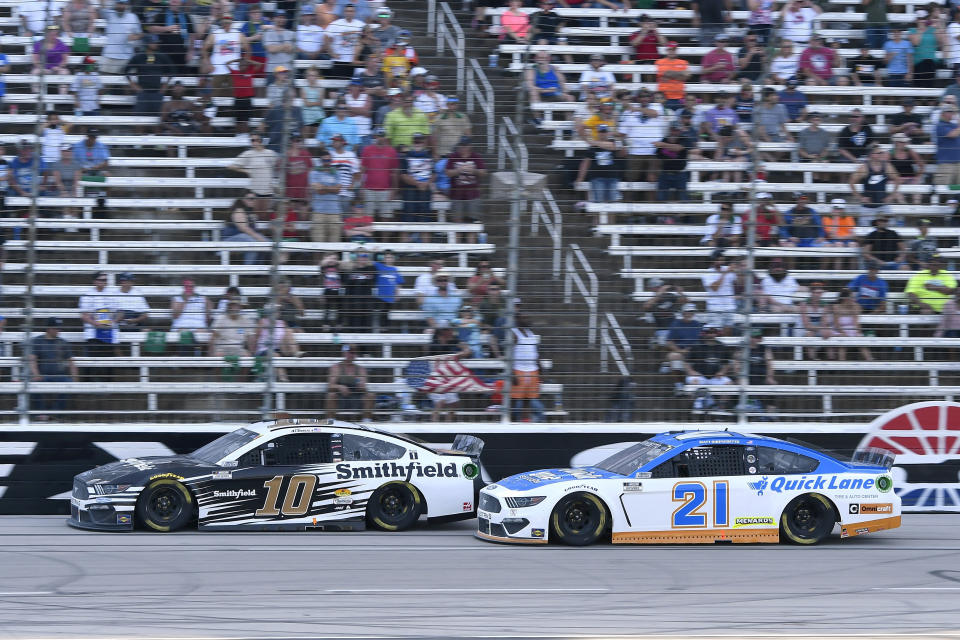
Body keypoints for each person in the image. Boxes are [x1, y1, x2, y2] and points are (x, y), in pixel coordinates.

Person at [29, 317, 78, 418]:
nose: (59, 330)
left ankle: (54, 414)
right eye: (56, 328)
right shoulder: (37, 341)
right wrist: (36, 374)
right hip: (43, 376)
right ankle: (41, 414)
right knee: (34, 384)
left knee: (69, 384)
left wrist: (75, 378)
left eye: (59, 328)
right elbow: (32, 359)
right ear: (48, 328)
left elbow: (71, 362)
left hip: (60, 376)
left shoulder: (63, 342)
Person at [446, 137, 487, 240]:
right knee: (457, 222)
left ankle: (471, 249)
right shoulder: (453, 157)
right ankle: (457, 249)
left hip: (473, 195)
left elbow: (483, 172)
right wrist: (458, 170)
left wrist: (474, 171)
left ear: (470, 146)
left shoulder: (476, 157)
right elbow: (447, 173)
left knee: (472, 222)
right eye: (461, 145)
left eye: (465, 145)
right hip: (456, 195)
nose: (463, 147)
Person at [849, 145, 900, 226]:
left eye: (882, 153)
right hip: (868, 207)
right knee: (865, 232)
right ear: (872, 154)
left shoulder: (887, 166)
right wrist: (860, 197)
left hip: (883, 205)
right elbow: (851, 182)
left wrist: (891, 196)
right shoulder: (864, 168)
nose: (882, 154)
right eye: (879, 153)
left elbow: (897, 179)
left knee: (891, 227)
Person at [229, 134, 278, 216]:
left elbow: (277, 167)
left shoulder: (270, 153)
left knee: (265, 217)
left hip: (268, 191)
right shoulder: (248, 154)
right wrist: (246, 171)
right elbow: (232, 166)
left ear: (261, 141)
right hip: (255, 191)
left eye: (257, 140)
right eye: (252, 140)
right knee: (258, 216)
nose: (254, 142)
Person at [126, 36, 172, 122]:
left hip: (157, 93)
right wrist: (133, 85)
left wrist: (165, 86)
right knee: (139, 122)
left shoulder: (161, 56)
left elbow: (172, 71)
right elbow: (126, 71)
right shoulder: (139, 57)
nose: (156, 44)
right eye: (153, 42)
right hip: (143, 93)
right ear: (147, 44)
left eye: (156, 42)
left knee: (158, 122)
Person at [79, 271, 119, 366]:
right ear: (95, 281)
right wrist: (97, 324)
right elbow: (84, 316)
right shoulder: (87, 295)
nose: (104, 282)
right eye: (102, 280)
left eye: (105, 280)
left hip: (108, 334)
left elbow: (119, 312)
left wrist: (113, 321)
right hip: (93, 335)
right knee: (92, 365)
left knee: (108, 366)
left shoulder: (111, 294)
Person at [203, 13, 248, 98]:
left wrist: (244, 64)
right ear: (221, 23)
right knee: (214, 96)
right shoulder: (214, 34)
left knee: (235, 96)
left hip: (234, 70)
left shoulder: (239, 35)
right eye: (224, 22)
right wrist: (208, 64)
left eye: (228, 22)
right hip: (217, 70)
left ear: (232, 23)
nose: (226, 25)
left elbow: (248, 49)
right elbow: (204, 49)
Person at [326, 344, 374, 420]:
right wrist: (340, 387)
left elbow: (364, 388)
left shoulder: (360, 369)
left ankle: (366, 421)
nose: (351, 354)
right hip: (340, 397)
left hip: (356, 397)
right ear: (344, 353)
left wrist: (361, 385)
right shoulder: (336, 367)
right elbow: (330, 386)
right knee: (331, 395)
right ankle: (331, 421)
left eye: (353, 352)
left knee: (370, 396)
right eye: (349, 352)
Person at [511, 316, 544, 422]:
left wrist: (541, 369)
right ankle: (513, 423)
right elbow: (509, 354)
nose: (529, 320)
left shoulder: (531, 333)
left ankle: (530, 423)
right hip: (519, 370)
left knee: (530, 400)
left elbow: (536, 353)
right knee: (517, 401)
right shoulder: (514, 334)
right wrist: (512, 373)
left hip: (533, 370)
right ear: (518, 320)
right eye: (525, 318)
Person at [99, 0, 142, 75]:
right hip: (110, 55)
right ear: (115, 4)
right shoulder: (110, 14)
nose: (121, 6)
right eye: (119, 3)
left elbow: (140, 34)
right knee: (107, 82)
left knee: (127, 83)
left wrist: (135, 37)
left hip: (127, 57)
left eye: (123, 4)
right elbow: (102, 8)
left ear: (127, 5)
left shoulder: (133, 17)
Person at [309, 150, 343, 242]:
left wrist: (324, 187)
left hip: (334, 212)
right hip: (319, 212)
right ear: (321, 161)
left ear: (331, 160)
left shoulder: (337, 173)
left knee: (334, 243)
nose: (327, 163)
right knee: (317, 243)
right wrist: (332, 188)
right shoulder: (314, 173)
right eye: (324, 160)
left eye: (328, 160)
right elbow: (318, 190)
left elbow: (338, 190)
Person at [831, 288, 872, 362]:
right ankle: (842, 362)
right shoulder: (836, 307)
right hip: (839, 330)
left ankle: (870, 360)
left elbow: (856, 322)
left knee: (861, 340)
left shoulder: (856, 306)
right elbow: (836, 324)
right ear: (845, 299)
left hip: (853, 329)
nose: (853, 299)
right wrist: (843, 332)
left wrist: (858, 331)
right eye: (851, 297)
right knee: (842, 341)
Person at [170, 279, 211, 353]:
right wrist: (185, 300)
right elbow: (175, 315)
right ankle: (189, 356)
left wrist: (208, 306)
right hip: (182, 327)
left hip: (199, 327)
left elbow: (208, 316)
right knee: (185, 334)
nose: (190, 288)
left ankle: (195, 355)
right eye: (187, 286)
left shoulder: (202, 298)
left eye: (191, 286)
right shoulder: (177, 298)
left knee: (199, 333)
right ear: (183, 288)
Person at [654, 124, 691, 202]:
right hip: (665, 174)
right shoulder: (664, 139)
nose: (674, 132)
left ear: (680, 131)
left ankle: (684, 214)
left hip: (680, 174)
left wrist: (663, 145)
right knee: (661, 199)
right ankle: (662, 214)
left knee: (683, 199)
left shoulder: (684, 139)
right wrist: (654, 172)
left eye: (676, 130)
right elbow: (657, 156)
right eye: (672, 130)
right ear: (670, 130)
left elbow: (678, 148)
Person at [701, 250, 737, 331]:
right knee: (716, 332)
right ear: (712, 260)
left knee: (728, 333)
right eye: (718, 260)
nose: (721, 262)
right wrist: (724, 274)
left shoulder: (727, 269)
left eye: (722, 260)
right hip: (715, 308)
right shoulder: (707, 274)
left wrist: (737, 271)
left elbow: (737, 282)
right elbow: (715, 288)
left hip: (729, 306)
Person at [796, 283, 833, 360]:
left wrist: (824, 329)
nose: (818, 295)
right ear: (811, 293)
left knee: (829, 333)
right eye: (816, 293)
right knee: (810, 334)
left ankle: (831, 360)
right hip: (803, 328)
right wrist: (820, 329)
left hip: (818, 327)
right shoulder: (804, 304)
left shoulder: (825, 305)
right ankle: (813, 359)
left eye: (820, 293)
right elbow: (806, 325)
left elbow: (824, 322)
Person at [342, 251, 377, 332]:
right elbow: (346, 283)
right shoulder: (350, 269)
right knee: (354, 327)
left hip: (367, 304)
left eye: (365, 256)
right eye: (360, 255)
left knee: (367, 328)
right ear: (356, 257)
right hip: (354, 305)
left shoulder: (371, 268)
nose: (363, 258)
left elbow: (373, 282)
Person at [663, 302, 701, 375]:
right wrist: (680, 351)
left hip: (694, 351)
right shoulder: (676, 324)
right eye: (687, 311)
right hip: (680, 351)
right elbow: (669, 342)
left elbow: (700, 339)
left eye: (691, 312)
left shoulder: (697, 324)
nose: (689, 314)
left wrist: (690, 349)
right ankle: (679, 383)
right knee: (673, 356)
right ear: (683, 312)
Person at [262, 11, 295, 82]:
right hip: (272, 70)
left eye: (283, 18)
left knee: (288, 93)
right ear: (274, 19)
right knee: (271, 92)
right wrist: (285, 46)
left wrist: (277, 47)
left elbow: (291, 49)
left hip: (287, 70)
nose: (281, 19)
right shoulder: (268, 33)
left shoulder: (291, 33)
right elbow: (271, 49)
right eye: (279, 17)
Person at [374, 251, 403, 332]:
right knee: (382, 312)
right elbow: (371, 261)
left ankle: (386, 329)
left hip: (390, 296)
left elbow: (398, 283)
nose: (388, 259)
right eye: (386, 257)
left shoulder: (395, 269)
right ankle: (381, 328)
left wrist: (397, 294)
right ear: (383, 258)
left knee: (387, 312)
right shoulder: (380, 266)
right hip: (381, 295)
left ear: (393, 259)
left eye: (390, 257)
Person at [654, 42, 688, 110]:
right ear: (666, 50)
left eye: (674, 49)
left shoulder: (683, 62)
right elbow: (666, 73)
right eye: (670, 49)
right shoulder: (660, 62)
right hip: (665, 98)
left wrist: (669, 75)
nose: (672, 51)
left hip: (680, 97)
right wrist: (680, 74)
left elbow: (686, 76)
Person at [935, 105, 960, 188]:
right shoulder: (940, 125)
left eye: (952, 112)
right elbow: (952, 134)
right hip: (946, 164)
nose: (952, 114)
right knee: (943, 190)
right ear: (943, 114)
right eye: (949, 112)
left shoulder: (953, 126)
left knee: (957, 190)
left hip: (957, 163)